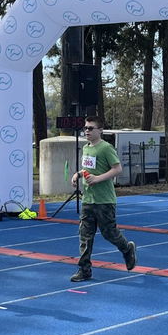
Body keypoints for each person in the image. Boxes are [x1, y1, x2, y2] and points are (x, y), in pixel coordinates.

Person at [69, 115, 137, 282]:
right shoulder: (86, 148)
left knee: (109, 233)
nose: (87, 131)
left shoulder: (106, 148)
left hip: (104, 200)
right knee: (85, 234)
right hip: (88, 200)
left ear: (100, 130)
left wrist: (98, 179)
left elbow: (118, 169)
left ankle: (127, 249)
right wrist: (78, 174)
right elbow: (88, 169)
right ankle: (84, 268)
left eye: (90, 128)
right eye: (85, 128)